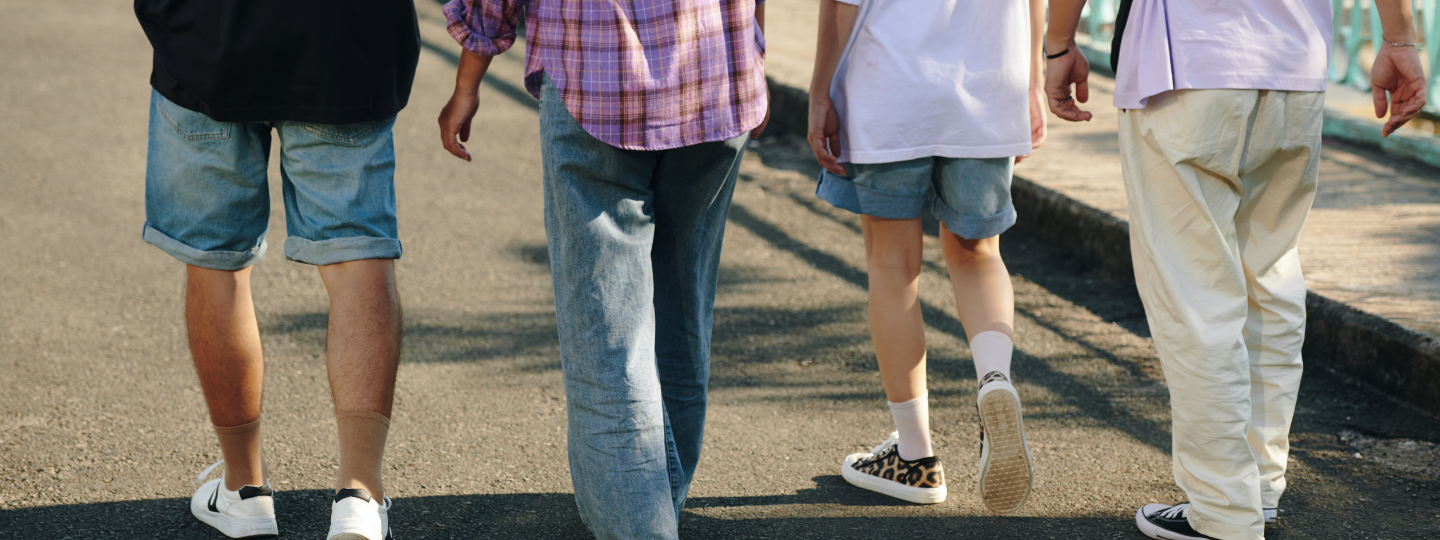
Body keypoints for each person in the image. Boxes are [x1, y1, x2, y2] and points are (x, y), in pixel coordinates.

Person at [1044, 0, 1427, 538]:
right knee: (1269, 281)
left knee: (1196, 295)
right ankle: (1259, 491)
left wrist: (1058, 41)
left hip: (1185, 69)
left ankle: (1225, 513)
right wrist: (1400, 41)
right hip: (1294, 64)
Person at [436, 1, 768, 537]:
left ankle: (640, 522)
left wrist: (469, 81)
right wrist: (750, 47)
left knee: (607, 337)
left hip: (597, 81)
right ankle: (653, 505)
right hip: (716, 73)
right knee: (683, 307)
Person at [134, 2, 419, 538]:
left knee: (217, 265)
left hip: (205, 41)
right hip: (347, 44)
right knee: (357, 256)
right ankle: (360, 495)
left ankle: (243, 493)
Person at [806, 0, 1047, 513]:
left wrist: (820, 88)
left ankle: (914, 458)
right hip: (989, 82)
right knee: (978, 252)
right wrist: (1029, 83)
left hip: (889, 83)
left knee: (892, 266)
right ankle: (994, 379)